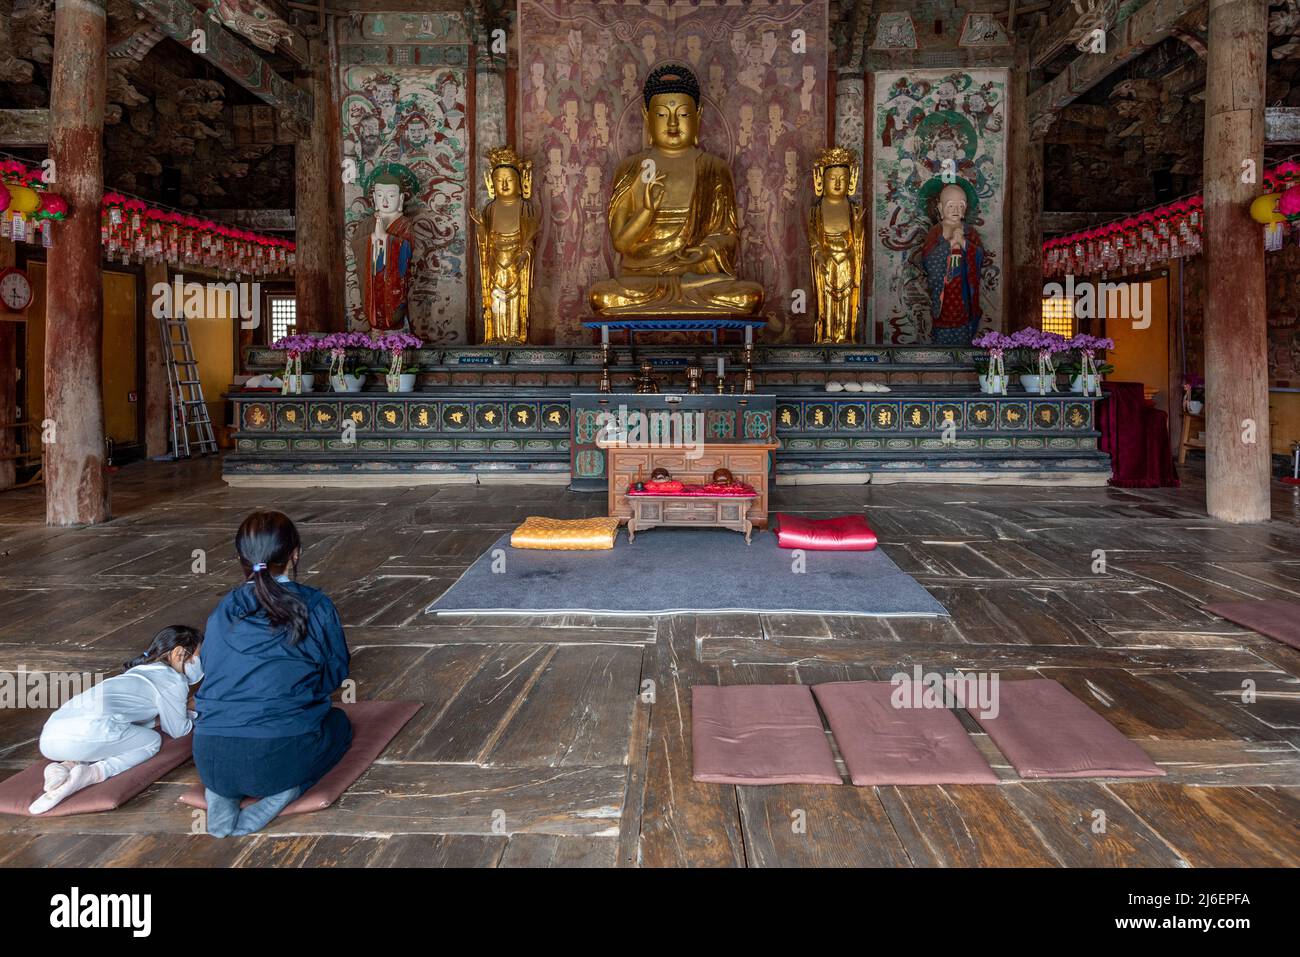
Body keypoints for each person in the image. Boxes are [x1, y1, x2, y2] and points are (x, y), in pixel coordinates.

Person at [194, 511, 352, 837]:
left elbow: (210, 670)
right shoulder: (316, 604)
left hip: (211, 759)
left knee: (240, 750)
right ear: (295, 554)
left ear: (241, 558)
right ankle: (286, 793)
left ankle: (221, 794)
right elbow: (335, 672)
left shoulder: (224, 608)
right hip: (280, 761)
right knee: (340, 725)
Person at [29, 626, 203, 814]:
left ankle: (64, 766)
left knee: (111, 733)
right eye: (197, 656)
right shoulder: (174, 681)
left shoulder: (137, 672)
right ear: (178, 653)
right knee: (150, 742)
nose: (200, 662)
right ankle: (91, 773)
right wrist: (191, 710)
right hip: (85, 738)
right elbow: (178, 730)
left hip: (49, 742)